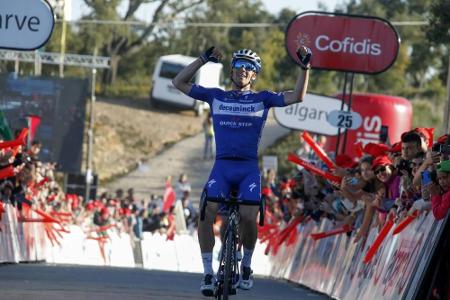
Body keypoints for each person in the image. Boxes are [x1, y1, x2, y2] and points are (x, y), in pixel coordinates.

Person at [172, 45, 311, 296]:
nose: (243, 70)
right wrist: (203, 59)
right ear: (232, 71)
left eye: (249, 67)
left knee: (249, 216)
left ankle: (246, 264)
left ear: (254, 74)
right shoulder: (216, 96)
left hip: (247, 167)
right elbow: (178, 81)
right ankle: (207, 273)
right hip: (222, 165)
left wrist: (305, 67)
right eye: (238, 66)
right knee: (207, 213)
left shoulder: (263, 98)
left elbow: (298, 96)